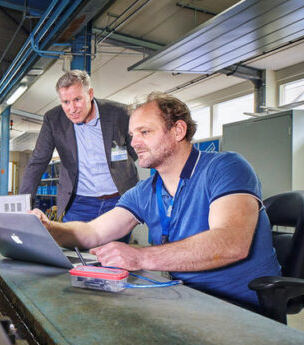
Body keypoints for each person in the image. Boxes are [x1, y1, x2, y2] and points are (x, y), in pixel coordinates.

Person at [30, 92, 280, 308]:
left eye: (145, 132)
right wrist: (48, 228)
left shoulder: (225, 168)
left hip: (237, 307)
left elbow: (230, 242)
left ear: (178, 130)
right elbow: (92, 232)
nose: (134, 142)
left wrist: (141, 257)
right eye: (132, 134)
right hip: (184, 298)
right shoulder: (145, 190)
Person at [19, 70, 138, 223]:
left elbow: (135, 150)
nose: (72, 108)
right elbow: (37, 162)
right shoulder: (53, 119)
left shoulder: (119, 113)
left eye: (77, 99)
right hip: (79, 203)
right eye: (66, 102)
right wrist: (23, 205)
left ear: (90, 94)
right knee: (73, 247)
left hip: (119, 199)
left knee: (115, 247)